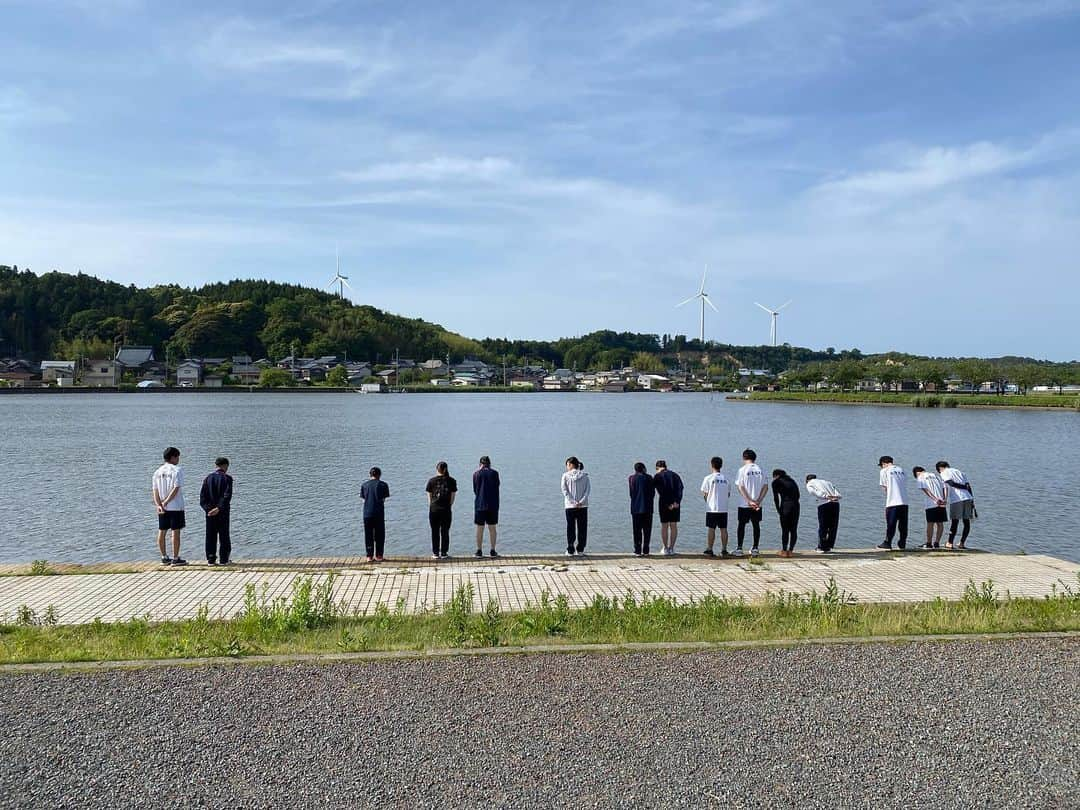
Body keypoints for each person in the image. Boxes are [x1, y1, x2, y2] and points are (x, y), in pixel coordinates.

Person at [152, 446, 187, 566]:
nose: (178, 459)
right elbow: (176, 488)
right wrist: (166, 501)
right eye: (177, 457)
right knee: (175, 532)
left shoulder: (157, 471)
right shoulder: (177, 470)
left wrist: (159, 505)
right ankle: (176, 558)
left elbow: (155, 490)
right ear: (173, 457)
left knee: (162, 531)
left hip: (162, 507)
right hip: (175, 506)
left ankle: (164, 557)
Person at [199, 457, 233, 566]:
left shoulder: (207, 478)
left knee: (210, 536)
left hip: (209, 513)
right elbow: (227, 496)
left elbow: (202, 498)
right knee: (224, 535)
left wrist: (208, 509)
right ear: (225, 465)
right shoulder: (227, 478)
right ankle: (224, 559)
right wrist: (218, 508)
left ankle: (211, 559)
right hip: (222, 512)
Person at [735, 449, 768, 556]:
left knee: (741, 525)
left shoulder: (742, 470)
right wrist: (758, 501)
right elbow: (765, 487)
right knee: (756, 525)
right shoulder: (761, 469)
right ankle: (755, 548)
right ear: (755, 458)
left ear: (744, 458)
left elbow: (740, 487)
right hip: (758, 503)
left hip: (745, 504)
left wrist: (749, 501)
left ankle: (739, 548)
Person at [936, 461, 975, 549]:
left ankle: (950, 543)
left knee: (955, 522)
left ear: (940, 468)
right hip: (968, 497)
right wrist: (972, 499)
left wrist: (963, 488)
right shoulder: (960, 472)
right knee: (966, 522)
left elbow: (951, 484)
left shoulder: (944, 472)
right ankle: (962, 543)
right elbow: (968, 486)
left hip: (957, 499)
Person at [425, 461, 457, 559]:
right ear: (446, 469)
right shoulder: (452, 481)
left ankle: (435, 553)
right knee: (445, 531)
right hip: (446, 509)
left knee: (434, 531)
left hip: (434, 509)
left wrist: (432, 506)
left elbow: (429, 498)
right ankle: (444, 552)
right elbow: (452, 498)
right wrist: (448, 506)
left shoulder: (431, 481)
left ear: (437, 469)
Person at [700, 457, 730, 557]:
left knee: (711, 529)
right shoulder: (726, 479)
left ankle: (710, 549)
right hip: (723, 508)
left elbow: (704, 493)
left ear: (711, 465)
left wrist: (708, 501)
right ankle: (724, 550)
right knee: (724, 529)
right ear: (721, 465)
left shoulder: (708, 478)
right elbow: (728, 494)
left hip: (712, 508)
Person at [360, 466, 391, 562]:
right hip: (379, 513)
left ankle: (369, 556)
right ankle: (379, 556)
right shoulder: (383, 485)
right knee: (379, 535)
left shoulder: (364, 485)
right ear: (379, 475)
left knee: (368, 534)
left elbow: (363, 499)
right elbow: (383, 499)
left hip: (367, 513)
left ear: (370, 475)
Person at [653, 460, 684, 555]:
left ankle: (665, 548)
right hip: (676, 504)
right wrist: (677, 502)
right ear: (665, 466)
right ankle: (672, 548)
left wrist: (668, 504)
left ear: (657, 468)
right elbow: (681, 488)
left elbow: (661, 491)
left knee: (664, 526)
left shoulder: (657, 476)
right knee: (673, 525)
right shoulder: (675, 475)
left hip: (664, 503)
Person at [561, 456, 590, 556]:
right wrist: (581, 501)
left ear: (570, 464)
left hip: (570, 506)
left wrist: (573, 501)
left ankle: (570, 549)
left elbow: (565, 491)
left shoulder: (565, 476)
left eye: (567, 465)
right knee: (582, 528)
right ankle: (580, 549)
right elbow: (587, 491)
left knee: (570, 528)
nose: (567, 467)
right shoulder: (585, 476)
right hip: (583, 506)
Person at [877, 455, 908, 550]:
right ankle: (902, 543)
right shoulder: (901, 469)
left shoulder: (884, 471)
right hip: (904, 501)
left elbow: (884, 487)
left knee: (891, 524)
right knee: (903, 525)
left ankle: (887, 542)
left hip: (893, 501)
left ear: (883, 463)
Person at [472, 455, 501, 558]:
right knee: (492, 528)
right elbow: (497, 486)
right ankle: (493, 551)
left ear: (480, 464)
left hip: (480, 504)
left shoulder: (476, 474)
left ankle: (479, 551)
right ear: (489, 463)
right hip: (493, 504)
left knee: (480, 528)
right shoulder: (495, 473)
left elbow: (475, 490)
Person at [805, 474, 841, 553]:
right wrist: (835, 497)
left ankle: (821, 547)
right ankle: (829, 546)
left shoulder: (810, 483)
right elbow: (838, 493)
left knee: (823, 526)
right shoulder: (827, 482)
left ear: (807, 480)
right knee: (833, 526)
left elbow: (814, 492)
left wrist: (826, 496)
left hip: (824, 504)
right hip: (835, 504)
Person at [913, 466, 947, 549]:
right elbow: (945, 487)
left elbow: (925, 489)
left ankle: (929, 543)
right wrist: (945, 499)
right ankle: (937, 543)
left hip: (931, 503)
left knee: (930, 523)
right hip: (942, 502)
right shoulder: (936, 475)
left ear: (917, 473)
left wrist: (935, 499)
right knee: (940, 523)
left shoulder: (920, 477)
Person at [628, 461, 655, 556]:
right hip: (648, 507)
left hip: (635, 507)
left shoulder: (632, 478)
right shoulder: (649, 478)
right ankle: (646, 549)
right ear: (644, 468)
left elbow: (631, 493)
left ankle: (637, 550)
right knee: (647, 530)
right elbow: (652, 493)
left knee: (637, 530)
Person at [771, 469, 800, 557]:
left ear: (776, 475)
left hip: (785, 506)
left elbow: (776, 498)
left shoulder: (776, 482)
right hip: (796, 505)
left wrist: (778, 510)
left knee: (785, 529)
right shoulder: (792, 480)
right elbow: (798, 495)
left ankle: (784, 551)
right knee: (794, 529)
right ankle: (791, 551)